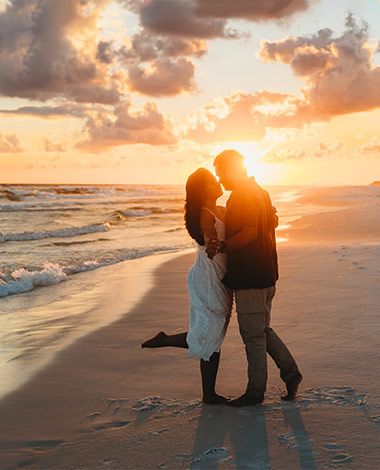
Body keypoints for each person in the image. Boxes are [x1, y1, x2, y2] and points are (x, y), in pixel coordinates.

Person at [206, 149, 302, 407]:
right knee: (261, 330)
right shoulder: (260, 191)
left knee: (253, 336)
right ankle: (291, 374)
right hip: (267, 274)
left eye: (220, 173)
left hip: (251, 277)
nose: (220, 180)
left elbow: (249, 232)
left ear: (230, 169)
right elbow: (273, 221)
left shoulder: (242, 196)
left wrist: (223, 246)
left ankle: (255, 392)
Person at [141, 168, 233, 405]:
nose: (217, 182)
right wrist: (213, 242)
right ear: (205, 190)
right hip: (208, 280)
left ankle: (207, 392)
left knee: (213, 332)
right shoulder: (205, 213)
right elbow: (209, 232)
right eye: (213, 181)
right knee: (211, 331)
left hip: (215, 278)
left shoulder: (218, 209)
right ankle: (208, 394)